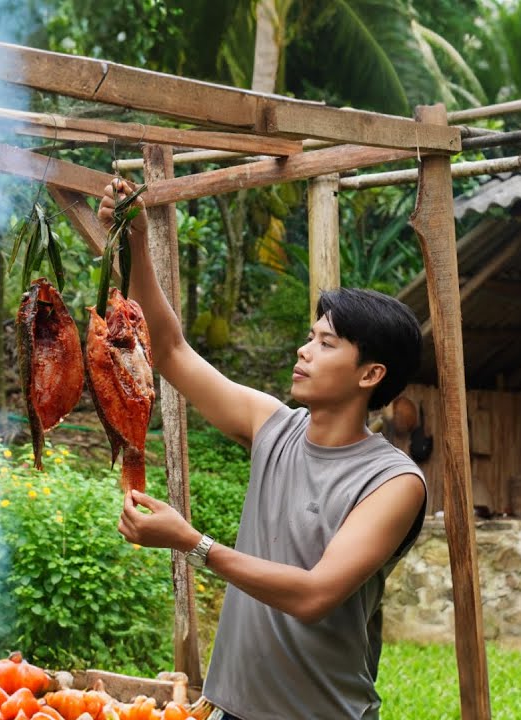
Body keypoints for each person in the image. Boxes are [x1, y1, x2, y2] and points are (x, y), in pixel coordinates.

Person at [98, 179, 427, 720]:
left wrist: (193, 543)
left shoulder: (393, 482)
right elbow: (171, 349)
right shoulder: (272, 426)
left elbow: (315, 595)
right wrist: (136, 240)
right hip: (230, 709)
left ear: (370, 374)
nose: (304, 350)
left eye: (326, 343)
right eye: (310, 336)